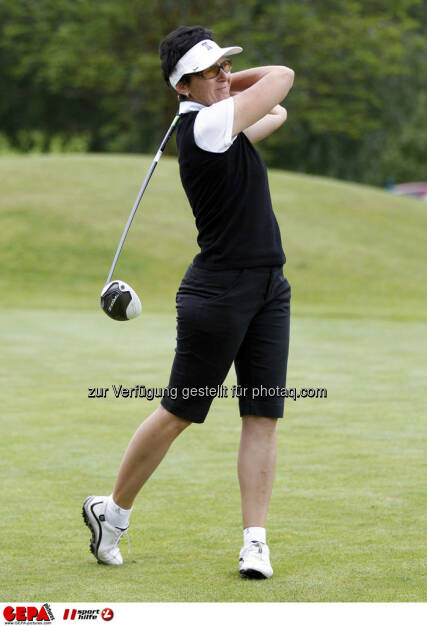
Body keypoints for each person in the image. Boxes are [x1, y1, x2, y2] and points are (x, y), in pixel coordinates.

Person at [83, 25, 294, 580]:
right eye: (214, 69)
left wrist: (216, 83)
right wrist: (220, 89)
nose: (226, 75)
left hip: (269, 288)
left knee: (262, 414)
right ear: (183, 84)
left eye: (228, 67)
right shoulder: (207, 126)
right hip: (219, 292)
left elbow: (276, 114)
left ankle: (255, 542)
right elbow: (282, 80)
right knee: (180, 411)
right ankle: (113, 512)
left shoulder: (220, 123)